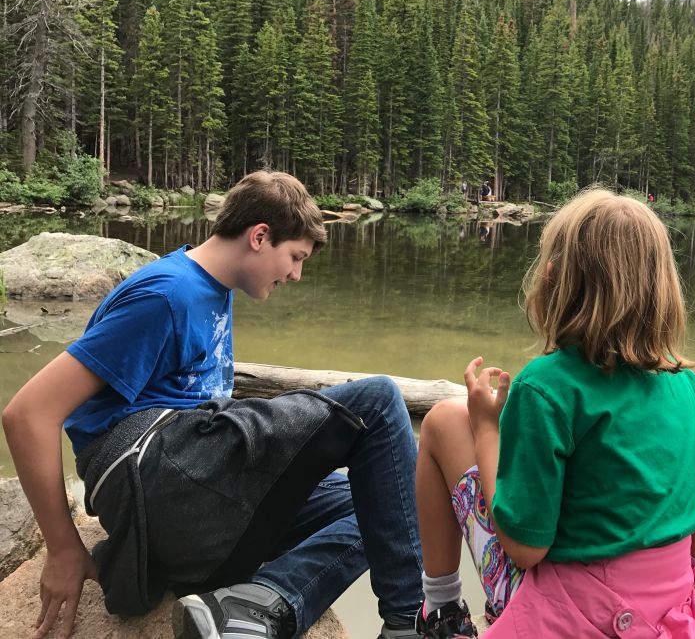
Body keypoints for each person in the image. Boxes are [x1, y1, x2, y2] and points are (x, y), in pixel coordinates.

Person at [2, 171, 424, 639]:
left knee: (395, 502)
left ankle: (260, 606)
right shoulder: (167, 294)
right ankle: (409, 625)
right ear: (260, 236)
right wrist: (63, 547)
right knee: (379, 401)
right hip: (157, 486)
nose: (296, 275)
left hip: (193, 497)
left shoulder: (214, 290)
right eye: (295, 257)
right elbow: (28, 412)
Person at [413, 189, 695, 638]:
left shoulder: (545, 386)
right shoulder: (687, 386)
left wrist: (485, 429)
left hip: (575, 616)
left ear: (554, 278)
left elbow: (524, 547)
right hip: (673, 610)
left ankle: (440, 613)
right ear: (663, 288)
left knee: (443, 420)